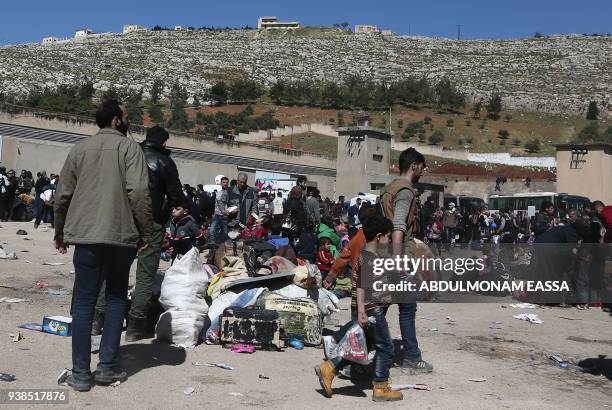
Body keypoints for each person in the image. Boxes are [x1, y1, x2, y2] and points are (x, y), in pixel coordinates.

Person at [54, 99, 154, 392]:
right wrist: (146, 232)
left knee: (83, 303)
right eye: (126, 116)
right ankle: (107, 367)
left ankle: (81, 374)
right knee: (115, 299)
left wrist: (60, 232)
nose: (129, 121)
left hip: (85, 238)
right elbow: (138, 192)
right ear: (114, 120)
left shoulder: (79, 149)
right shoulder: (129, 148)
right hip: (120, 238)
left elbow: (62, 195)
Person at [93, 126, 186, 340]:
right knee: (145, 275)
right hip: (152, 223)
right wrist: (165, 213)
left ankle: (97, 321)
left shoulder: (129, 154)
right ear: (164, 143)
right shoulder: (164, 162)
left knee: (113, 270)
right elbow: (176, 194)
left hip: (122, 220)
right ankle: (135, 328)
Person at [315, 214, 401, 401]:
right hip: (373, 310)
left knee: (361, 345)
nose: (389, 240)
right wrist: (362, 311)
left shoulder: (368, 254)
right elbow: (362, 285)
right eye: (387, 236)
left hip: (370, 308)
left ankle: (329, 368)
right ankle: (380, 387)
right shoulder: (370, 257)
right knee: (386, 347)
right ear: (379, 236)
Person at [379, 147, 433, 374]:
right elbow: (399, 226)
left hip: (383, 253)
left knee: (378, 308)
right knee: (407, 309)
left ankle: (356, 351)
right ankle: (411, 357)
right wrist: (399, 260)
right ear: (414, 166)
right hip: (398, 255)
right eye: (422, 167)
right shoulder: (406, 191)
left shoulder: (389, 188)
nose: (423, 171)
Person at [209, 176, 229, 243]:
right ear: (221, 183)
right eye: (224, 182)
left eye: (226, 182)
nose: (225, 184)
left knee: (225, 233)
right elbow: (216, 204)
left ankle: (220, 244)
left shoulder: (229, 193)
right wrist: (213, 213)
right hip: (217, 215)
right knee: (212, 230)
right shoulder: (218, 193)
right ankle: (213, 244)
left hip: (224, 216)